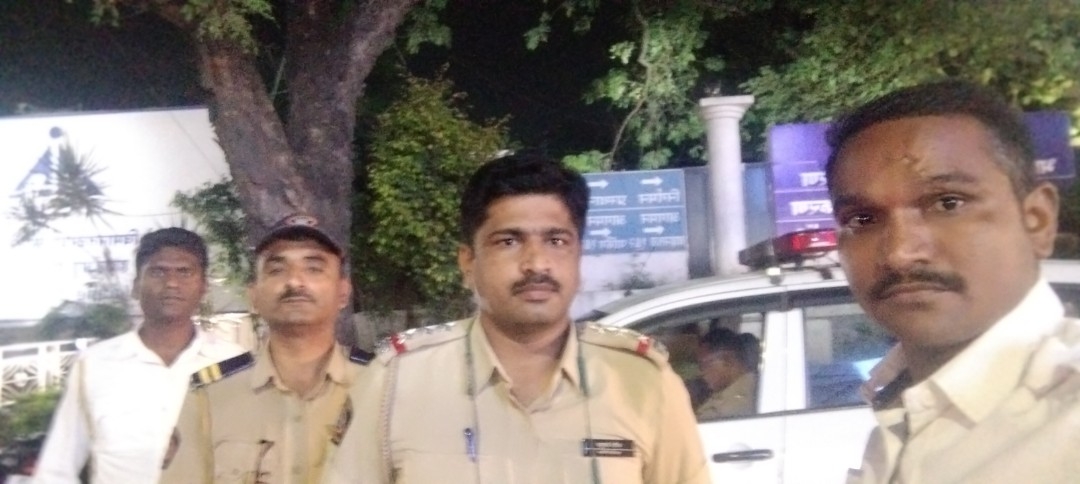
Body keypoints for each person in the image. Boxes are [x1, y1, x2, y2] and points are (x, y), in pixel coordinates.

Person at [323, 154, 710, 484]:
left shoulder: (644, 384)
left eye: (556, 241)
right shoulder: (397, 382)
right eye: (508, 241)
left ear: (578, 256)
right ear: (468, 262)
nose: (537, 263)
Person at [826, 80, 1080, 483]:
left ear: (1038, 221)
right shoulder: (899, 405)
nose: (900, 253)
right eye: (863, 219)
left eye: (948, 203)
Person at [160, 214, 379, 484]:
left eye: (314, 268)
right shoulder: (209, 396)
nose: (295, 282)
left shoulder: (383, 388)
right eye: (277, 270)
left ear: (343, 292)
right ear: (253, 296)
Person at [34, 228, 245, 483]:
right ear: (135, 286)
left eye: (184, 272)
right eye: (158, 272)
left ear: (203, 287)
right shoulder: (94, 365)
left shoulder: (235, 364)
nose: (172, 283)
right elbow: (57, 470)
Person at [694, 328, 758, 419]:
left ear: (728, 360)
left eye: (705, 365)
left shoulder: (735, 402)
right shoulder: (733, 391)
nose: (701, 373)